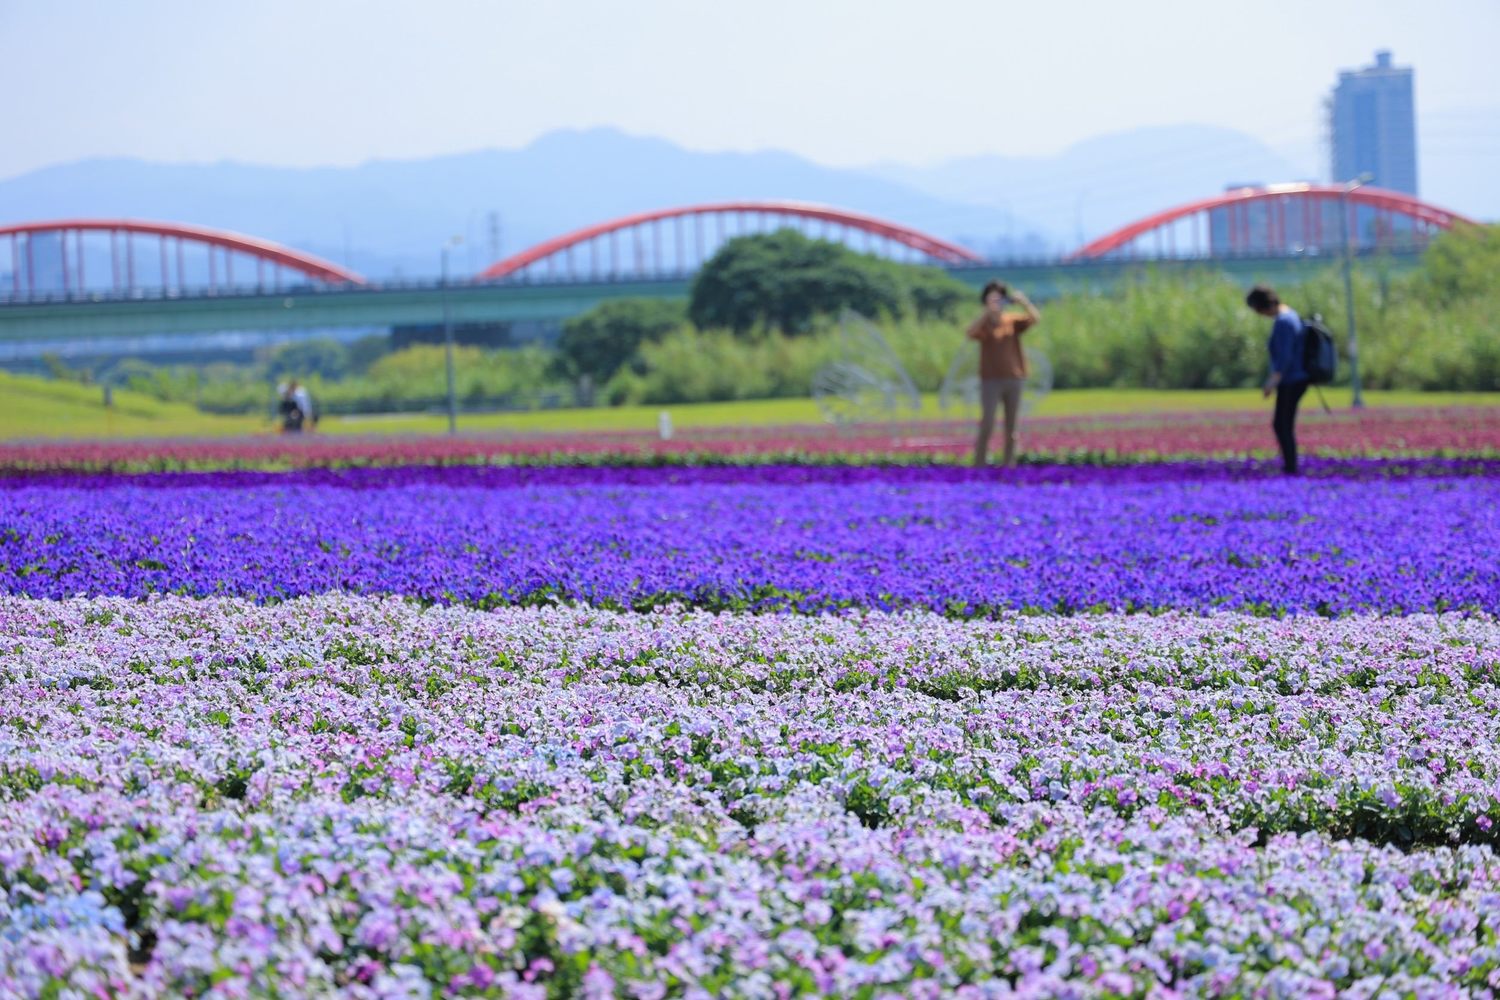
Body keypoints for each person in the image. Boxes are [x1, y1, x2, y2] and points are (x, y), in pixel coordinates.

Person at [967, 280, 1041, 467]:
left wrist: (1024, 302)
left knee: (1012, 427)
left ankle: (1009, 464)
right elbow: (970, 333)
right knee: (988, 423)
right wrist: (987, 313)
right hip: (990, 380)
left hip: (1013, 378)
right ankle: (980, 463)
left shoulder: (1011, 320)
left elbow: (1035, 318)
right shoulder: (984, 324)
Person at [1246, 284, 1308, 475]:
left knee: (1282, 424)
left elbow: (1285, 356)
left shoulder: (1283, 322)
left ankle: (1291, 467)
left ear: (1262, 306)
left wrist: (1273, 380)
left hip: (1291, 379)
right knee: (1282, 423)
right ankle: (1290, 465)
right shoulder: (1292, 315)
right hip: (1296, 378)